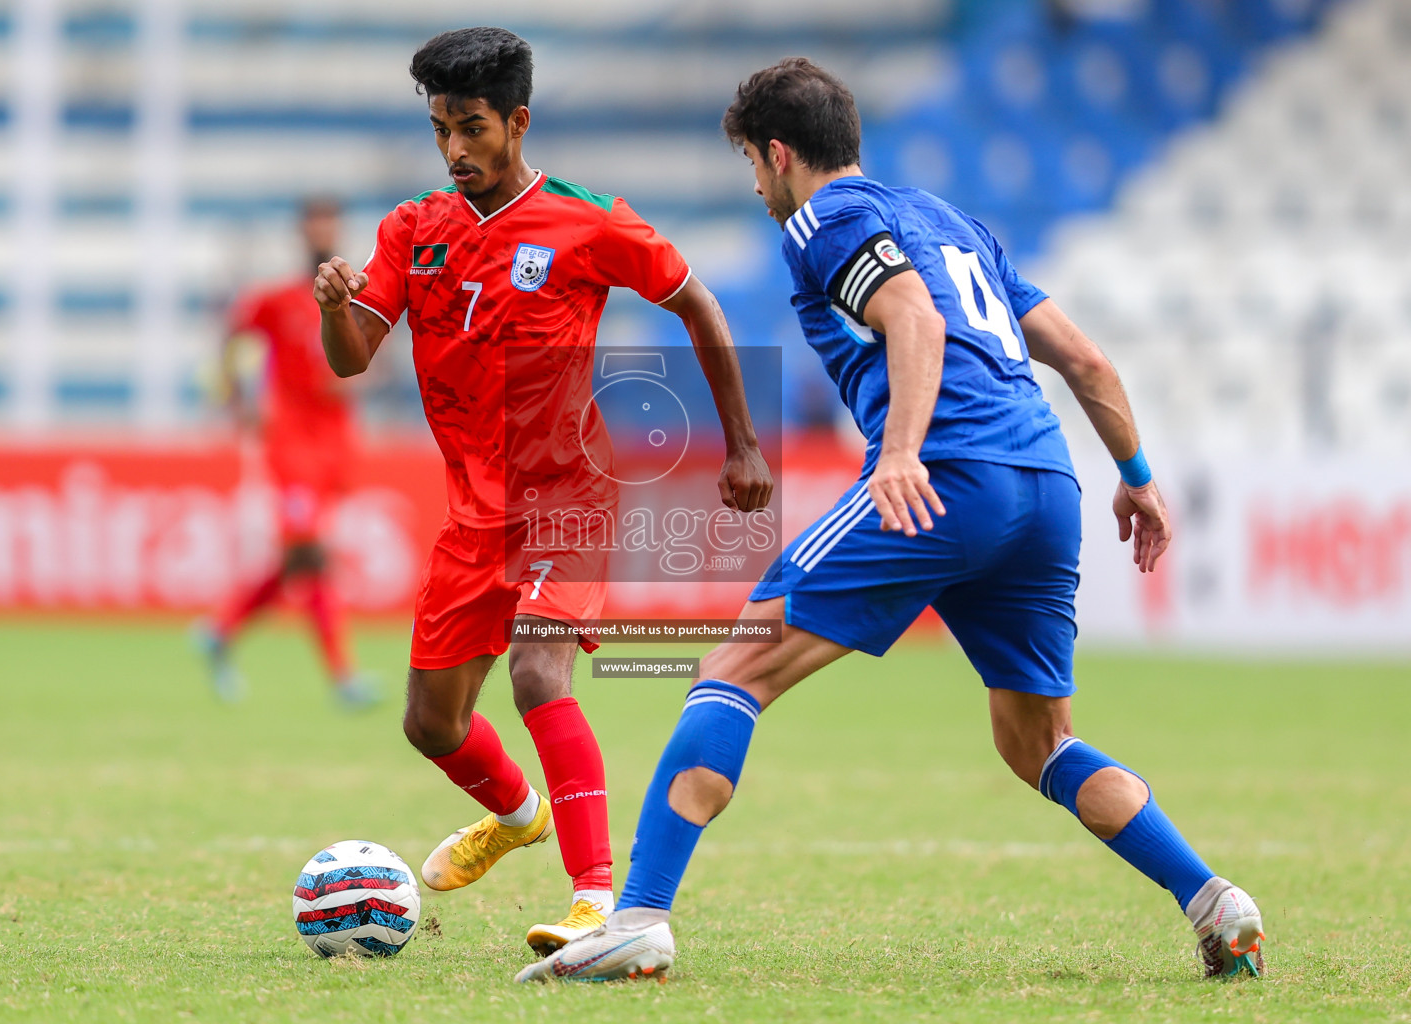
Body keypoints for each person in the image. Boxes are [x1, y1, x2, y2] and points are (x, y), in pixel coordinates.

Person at [519, 58, 1264, 984]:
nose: (755, 184)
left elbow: (912, 316)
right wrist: (1138, 475)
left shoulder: (821, 220)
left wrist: (905, 452)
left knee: (733, 664)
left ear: (779, 153)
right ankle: (1212, 901)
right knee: (1037, 740)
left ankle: (637, 918)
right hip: (1045, 482)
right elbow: (1086, 360)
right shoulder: (953, 221)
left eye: (752, 162)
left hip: (946, 474)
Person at [311, 27, 774, 953]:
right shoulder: (413, 229)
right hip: (473, 509)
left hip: (569, 493)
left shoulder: (588, 221)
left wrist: (743, 444)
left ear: (516, 122)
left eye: (472, 127)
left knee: (534, 674)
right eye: (441, 127)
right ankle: (519, 817)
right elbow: (353, 360)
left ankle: (600, 902)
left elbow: (697, 301)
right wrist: (333, 307)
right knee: (431, 724)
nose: (454, 150)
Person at [193, 198, 382, 710]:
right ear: (303, 232)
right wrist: (236, 400)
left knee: (300, 558)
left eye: (330, 223)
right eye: (315, 223)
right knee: (311, 554)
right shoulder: (276, 299)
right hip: (292, 443)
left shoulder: (356, 296)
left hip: (336, 446)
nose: (322, 231)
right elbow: (231, 337)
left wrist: (358, 381)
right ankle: (343, 677)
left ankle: (220, 631)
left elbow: (378, 360)